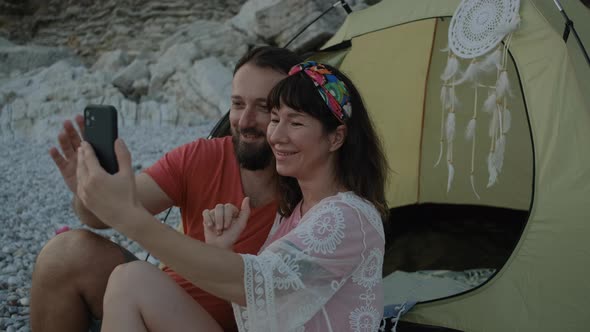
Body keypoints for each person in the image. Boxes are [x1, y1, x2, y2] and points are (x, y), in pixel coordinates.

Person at [78, 61, 389, 331]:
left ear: (336, 137)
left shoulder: (347, 217)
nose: (276, 135)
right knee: (129, 281)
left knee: (131, 281)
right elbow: (271, 300)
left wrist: (129, 217)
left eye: (295, 122)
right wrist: (221, 252)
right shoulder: (295, 210)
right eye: (276, 118)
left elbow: (254, 285)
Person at [30, 46, 304, 332]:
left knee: (133, 279)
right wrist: (88, 192)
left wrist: (128, 217)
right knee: (64, 254)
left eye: (262, 107)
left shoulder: (312, 187)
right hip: (155, 302)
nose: (244, 121)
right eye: (237, 104)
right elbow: (100, 216)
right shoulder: (203, 156)